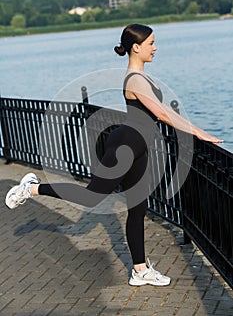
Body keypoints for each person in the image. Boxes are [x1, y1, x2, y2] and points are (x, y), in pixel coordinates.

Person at [5, 24, 223, 287]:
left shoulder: (143, 77)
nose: (155, 48)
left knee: (138, 207)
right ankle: (32, 188)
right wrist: (199, 133)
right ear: (136, 47)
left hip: (139, 145)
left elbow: (162, 109)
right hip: (127, 145)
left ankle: (140, 270)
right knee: (92, 196)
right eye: (151, 43)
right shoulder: (134, 79)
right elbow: (163, 114)